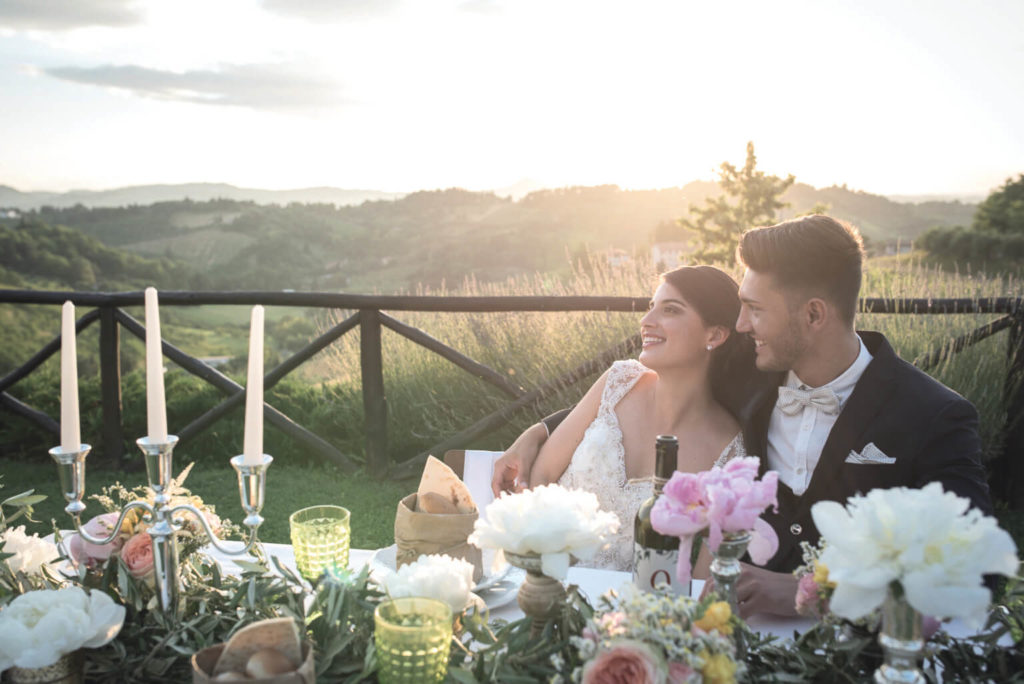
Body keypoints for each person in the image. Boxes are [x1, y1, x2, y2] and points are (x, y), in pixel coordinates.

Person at [493, 215, 993, 616]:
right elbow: (648, 392)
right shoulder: (754, 374)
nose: (739, 324)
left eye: (754, 308)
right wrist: (538, 431)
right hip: (729, 636)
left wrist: (809, 592)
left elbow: (978, 573)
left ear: (814, 315)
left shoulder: (935, 416)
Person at [526, 265, 755, 571]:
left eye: (670, 310)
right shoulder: (619, 382)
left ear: (714, 334)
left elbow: (700, 577)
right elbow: (541, 478)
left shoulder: (730, 453)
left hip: (635, 613)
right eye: (651, 308)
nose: (646, 322)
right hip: (545, 582)